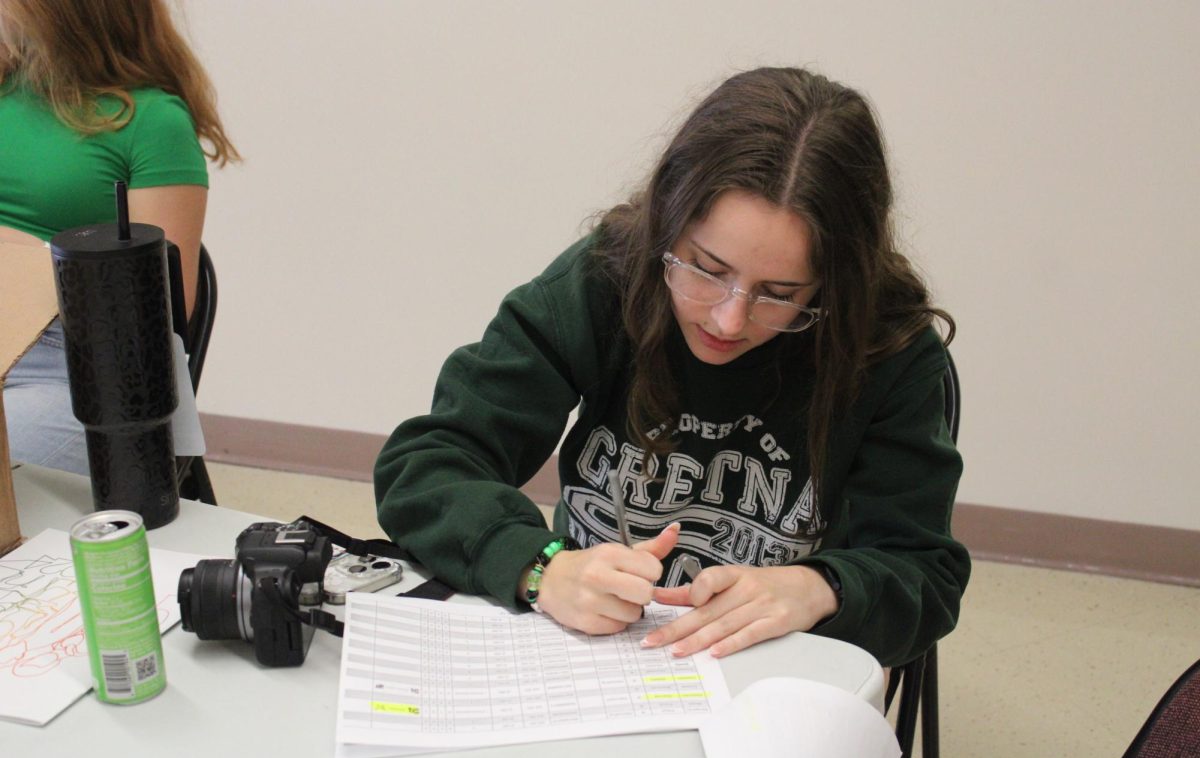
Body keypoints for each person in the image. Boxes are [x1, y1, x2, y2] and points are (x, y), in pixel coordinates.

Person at [374, 66, 970, 668]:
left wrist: (823, 587)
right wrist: (540, 567)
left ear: (834, 283)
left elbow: (923, 571)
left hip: (774, 663)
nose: (729, 321)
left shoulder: (887, 349)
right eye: (706, 269)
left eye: (781, 293)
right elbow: (427, 465)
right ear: (667, 223)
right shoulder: (604, 282)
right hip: (591, 639)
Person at [0, 0, 238, 475]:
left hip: (74, 369)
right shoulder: (8, 87)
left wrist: (20, 257)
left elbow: (160, 313)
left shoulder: (151, 119)